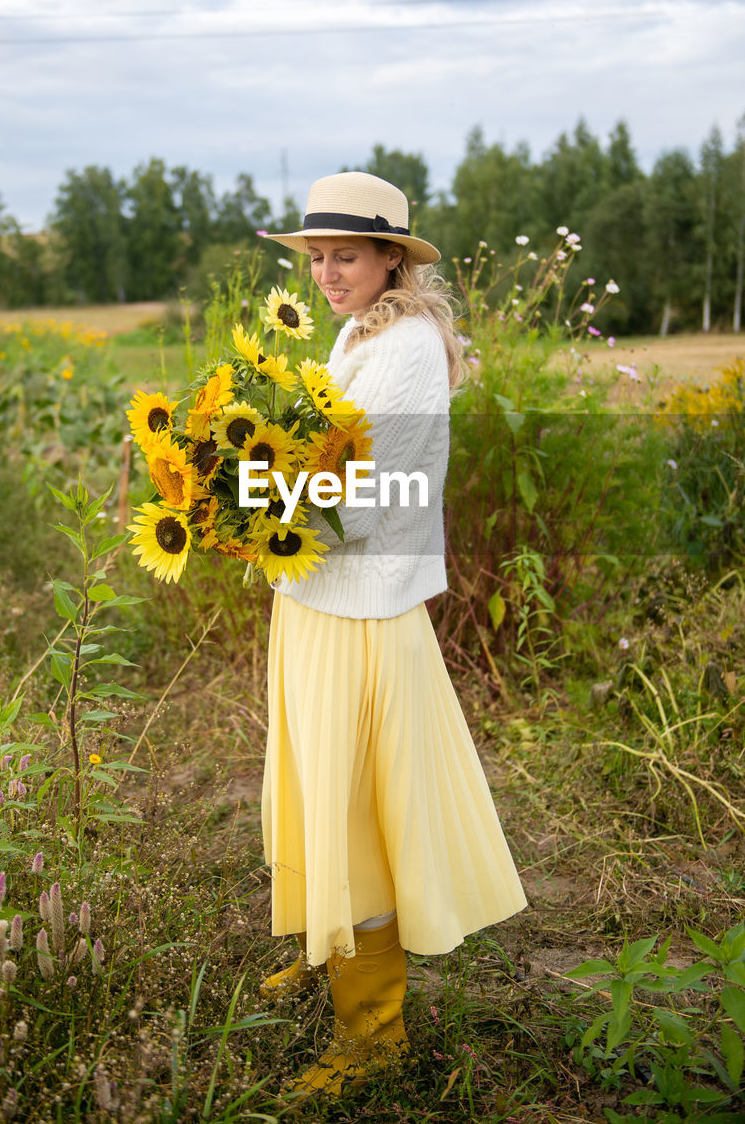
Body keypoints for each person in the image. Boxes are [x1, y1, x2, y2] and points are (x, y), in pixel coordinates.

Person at [259, 171, 527, 1097]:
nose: (328, 273)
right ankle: (325, 948)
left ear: (391, 260)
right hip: (317, 599)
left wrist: (247, 507)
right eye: (318, 257)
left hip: (364, 615)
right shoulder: (359, 330)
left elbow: (374, 499)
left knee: (360, 815)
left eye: (347, 256)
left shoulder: (409, 348)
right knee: (315, 792)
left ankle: (373, 1033)